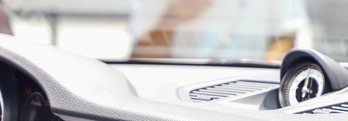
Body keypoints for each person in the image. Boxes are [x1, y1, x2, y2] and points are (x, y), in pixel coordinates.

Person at [130, 0, 309, 60]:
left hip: (246, 96)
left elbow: (286, 35)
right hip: (173, 95)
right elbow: (139, 59)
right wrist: (173, 17)